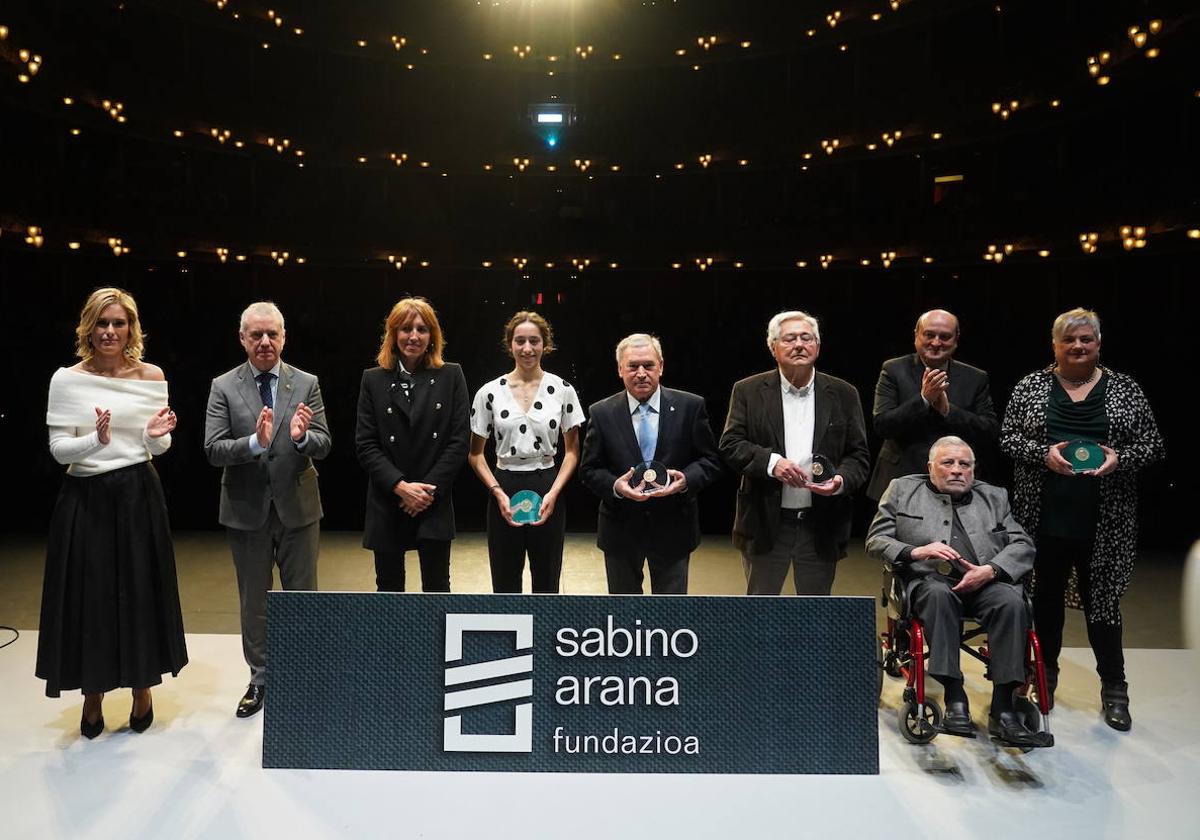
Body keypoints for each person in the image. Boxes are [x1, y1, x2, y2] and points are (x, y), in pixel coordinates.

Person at [1001, 307, 1164, 731]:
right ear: (1054, 345)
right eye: (1069, 340)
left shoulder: (1125, 388)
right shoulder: (1031, 385)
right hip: (1042, 521)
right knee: (1046, 606)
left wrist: (1119, 460)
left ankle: (1114, 690)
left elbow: (1153, 445)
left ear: (1098, 344)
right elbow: (1008, 437)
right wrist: (1042, 455)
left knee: (1103, 610)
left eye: (1086, 340)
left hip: (1105, 524)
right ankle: (1045, 677)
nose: (1078, 346)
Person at [37, 287, 187, 738]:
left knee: (140, 591)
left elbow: (156, 445)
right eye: (102, 323)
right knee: (92, 598)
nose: (109, 332)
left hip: (139, 492)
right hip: (85, 497)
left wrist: (159, 435)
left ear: (131, 329)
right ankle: (93, 695)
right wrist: (94, 441)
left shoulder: (150, 375)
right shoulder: (66, 379)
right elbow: (59, 449)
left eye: (118, 323)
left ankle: (143, 688)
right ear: (88, 326)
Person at [866, 436, 1052, 748]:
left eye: (964, 464)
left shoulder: (994, 496)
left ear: (973, 469)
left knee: (1011, 601)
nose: (957, 470)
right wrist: (916, 551)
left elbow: (1023, 544)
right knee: (939, 596)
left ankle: (1004, 707)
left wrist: (991, 570)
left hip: (984, 583)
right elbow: (876, 541)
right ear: (930, 468)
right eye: (948, 463)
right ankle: (955, 696)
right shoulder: (902, 489)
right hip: (929, 583)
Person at [204, 301, 331, 719]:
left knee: (303, 599)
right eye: (255, 334)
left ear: (283, 336)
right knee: (254, 601)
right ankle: (260, 679)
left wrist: (300, 439)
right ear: (242, 338)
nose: (264, 342)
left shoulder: (306, 382)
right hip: (247, 511)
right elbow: (213, 449)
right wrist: (254, 445)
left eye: (271, 334)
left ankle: (306, 677)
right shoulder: (223, 386)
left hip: (298, 508)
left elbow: (324, 443)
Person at [719, 310, 870, 595]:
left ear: (818, 346)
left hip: (821, 523)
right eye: (789, 339)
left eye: (807, 338)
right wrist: (772, 463)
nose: (799, 344)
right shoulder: (748, 390)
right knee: (761, 612)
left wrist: (840, 481)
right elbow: (731, 444)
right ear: (773, 347)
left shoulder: (844, 393)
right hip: (765, 522)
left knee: (815, 615)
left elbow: (858, 455)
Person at [579, 334, 722, 594]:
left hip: (674, 527)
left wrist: (684, 481)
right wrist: (616, 486)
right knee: (623, 617)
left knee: (670, 617)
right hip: (620, 529)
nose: (641, 373)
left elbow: (710, 460)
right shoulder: (601, 412)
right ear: (620, 369)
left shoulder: (690, 406)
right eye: (633, 366)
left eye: (649, 365)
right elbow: (589, 469)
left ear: (662, 367)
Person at [356, 297, 470, 592]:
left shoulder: (451, 375)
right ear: (393, 334)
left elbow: (459, 442)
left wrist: (426, 491)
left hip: (433, 501)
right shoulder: (373, 379)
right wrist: (402, 487)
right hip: (388, 499)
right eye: (406, 328)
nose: (414, 336)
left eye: (422, 329)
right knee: (389, 592)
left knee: (437, 589)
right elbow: (366, 444)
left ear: (432, 336)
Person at [467, 312, 584, 592]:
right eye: (520, 341)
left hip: (547, 484)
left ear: (545, 344)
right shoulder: (489, 392)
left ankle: (545, 636)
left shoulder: (563, 390)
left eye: (534, 340)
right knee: (505, 580)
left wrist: (553, 493)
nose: (527, 348)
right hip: (504, 485)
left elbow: (571, 453)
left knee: (547, 579)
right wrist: (497, 492)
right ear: (510, 345)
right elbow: (475, 454)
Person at [866, 309, 999, 500]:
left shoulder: (976, 378)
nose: (936, 342)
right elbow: (882, 425)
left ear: (956, 339)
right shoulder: (893, 370)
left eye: (944, 337)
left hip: (956, 486)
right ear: (916, 335)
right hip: (899, 480)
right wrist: (924, 400)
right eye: (929, 335)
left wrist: (948, 411)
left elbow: (989, 431)